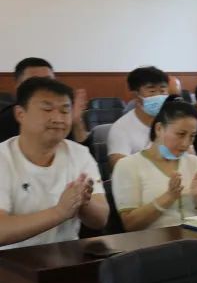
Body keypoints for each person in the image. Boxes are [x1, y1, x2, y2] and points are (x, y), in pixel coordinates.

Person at [0, 77, 107, 249]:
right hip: (11, 260)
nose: (58, 118)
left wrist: (84, 201)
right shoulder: (3, 158)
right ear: (20, 114)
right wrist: (59, 212)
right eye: (47, 109)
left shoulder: (79, 154)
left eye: (65, 111)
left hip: (68, 255)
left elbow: (101, 220)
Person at [112, 97, 197, 231]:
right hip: (155, 242)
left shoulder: (196, 163)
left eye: (192, 136)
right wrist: (168, 197)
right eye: (180, 134)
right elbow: (130, 224)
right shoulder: (128, 166)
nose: (186, 143)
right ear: (159, 129)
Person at [0, 58, 89, 144]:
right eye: (34, 83)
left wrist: (77, 122)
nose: (45, 88)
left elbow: (82, 150)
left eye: (49, 81)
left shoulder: (63, 114)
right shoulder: (5, 120)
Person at [107, 66, 172, 168]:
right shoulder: (121, 128)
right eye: (152, 91)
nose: (158, 96)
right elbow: (120, 167)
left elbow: (188, 156)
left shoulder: (173, 121)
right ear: (136, 95)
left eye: (162, 91)